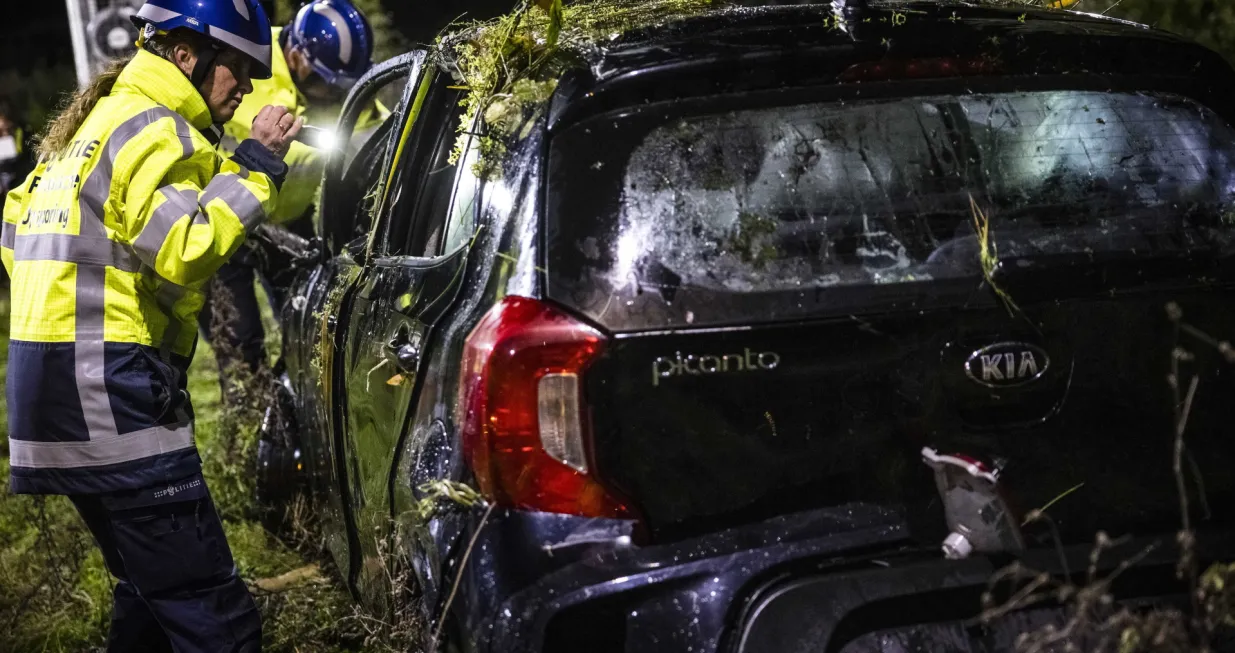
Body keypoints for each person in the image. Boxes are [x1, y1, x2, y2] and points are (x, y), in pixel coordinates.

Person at [0, 0, 302, 650]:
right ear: (186, 53)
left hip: (46, 387)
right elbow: (186, 246)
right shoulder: (160, 131)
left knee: (147, 595)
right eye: (237, 69)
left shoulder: (100, 121)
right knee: (215, 617)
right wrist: (256, 169)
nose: (247, 87)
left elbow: (13, 225)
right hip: (106, 389)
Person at [200, 0, 381, 397]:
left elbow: (376, 134)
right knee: (239, 338)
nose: (332, 95)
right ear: (296, 55)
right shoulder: (246, 65)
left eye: (342, 87)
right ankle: (248, 426)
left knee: (304, 324)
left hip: (289, 219)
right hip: (226, 218)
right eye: (323, 83)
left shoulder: (340, 80)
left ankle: (302, 409)